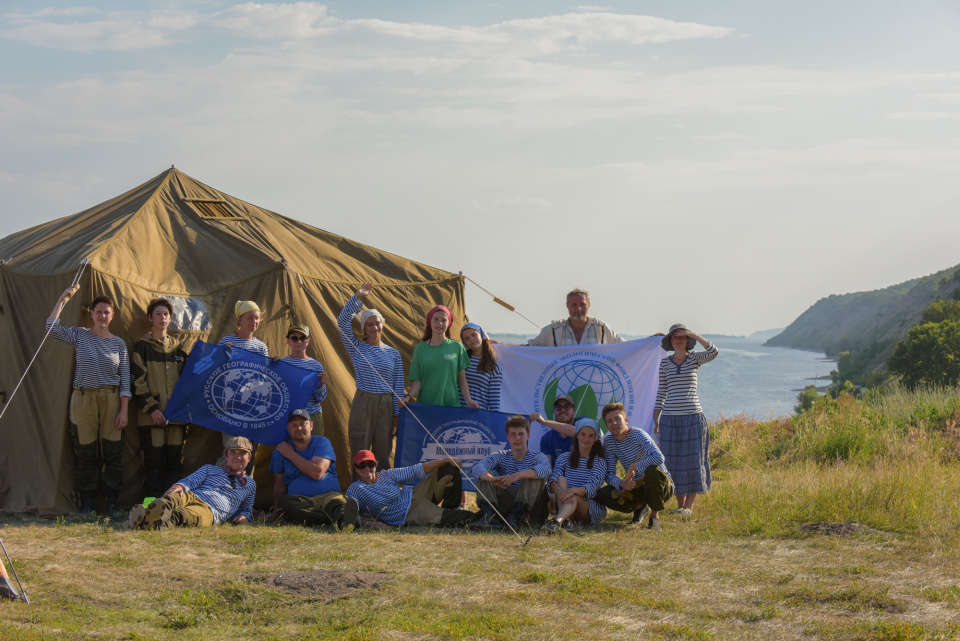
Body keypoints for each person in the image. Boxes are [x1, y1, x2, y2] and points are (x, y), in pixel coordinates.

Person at [47, 285, 131, 514]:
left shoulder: (119, 344)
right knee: (86, 452)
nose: (102, 316)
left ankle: (112, 502)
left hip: (111, 399)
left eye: (107, 312)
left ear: (112, 315)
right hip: (84, 397)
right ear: (91, 314)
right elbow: (51, 328)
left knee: (112, 452)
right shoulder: (80, 335)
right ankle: (88, 503)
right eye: (99, 312)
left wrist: (123, 410)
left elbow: (125, 381)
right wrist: (62, 299)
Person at [338, 283, 405, 471]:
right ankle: (359, 493)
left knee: (383, 451)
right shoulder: (357, 348)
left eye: (377, 323)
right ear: (364, 328)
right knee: (360, 448)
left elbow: (398, 386)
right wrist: (357, 297)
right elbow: (342, 322)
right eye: (370, 324)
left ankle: (383, 493)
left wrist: (397, 415)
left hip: (386, 404)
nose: (375, 327)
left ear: (382, 325)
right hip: (364, 400)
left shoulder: (393, 354)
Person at [654, 323, 719, 516]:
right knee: (671, 461)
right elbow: (661, 391)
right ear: (670, 341)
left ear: (688, 341)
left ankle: (688, 507)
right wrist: (656, 417)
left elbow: (714, 351)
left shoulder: (695, 359)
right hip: (669, 419)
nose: (679, 340)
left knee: (693, 460)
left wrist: (693, 333)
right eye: (675, 337)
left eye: (682, 337)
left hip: (693, 418)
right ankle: (679, 505)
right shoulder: (665, 363)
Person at [130, 298, 190, 500]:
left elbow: (190, 381)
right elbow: (137, 383)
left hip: (176, 419)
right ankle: (149, 507)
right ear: (150, 318)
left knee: (175, 463)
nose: (162, 317)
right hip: (151, 419)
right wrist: (153, 409)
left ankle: (170, 506)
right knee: (153, 465)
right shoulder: (142, 348)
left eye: (166, 314)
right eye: (158, 314)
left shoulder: (179, 349)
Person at [127, 436, 257, 529]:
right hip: (194, 495)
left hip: (211, 511)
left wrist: (244, 516)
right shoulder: (210, 469)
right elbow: (191, 481)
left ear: (249, 457)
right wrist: (180, 485)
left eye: (242, 453)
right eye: (233, 452)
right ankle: (147, 512)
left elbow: (246, 508)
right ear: (226, 456)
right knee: (172, 499)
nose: (237, 457)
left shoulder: (250, 484)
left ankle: (150, 523)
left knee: (185, 516)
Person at [269, 409, 360, 530]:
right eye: (294, 425)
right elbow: (279, 485)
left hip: (329, 496)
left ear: (311, 425)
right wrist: (276, 511)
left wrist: (290, 454)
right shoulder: (280, 452)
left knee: (339, 504)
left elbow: (317, 473)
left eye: (303, 424)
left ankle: (344, 518)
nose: (299, 428)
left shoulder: (322, 442)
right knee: (287, 504)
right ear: (288, 428)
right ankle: (339, 520)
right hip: (300, 500)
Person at [346, 450, 477, 528]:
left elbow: (417, 470)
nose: (367, 468)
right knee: (462, 517)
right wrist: (371, 524)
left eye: (370, 464)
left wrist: (447, 459)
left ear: (376, 465)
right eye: (361, 465)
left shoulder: (386, 475)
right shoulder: (356, 488)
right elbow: (347, 514)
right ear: (355, 469)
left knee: (450, 469)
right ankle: (486, 520)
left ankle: (450, 509)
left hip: (415, 494)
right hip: (407, 514)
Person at [596, 403, 673, 530]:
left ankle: (654, 515)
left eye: (617, 419)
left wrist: (634, 467)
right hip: (636, 486)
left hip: (661, 484)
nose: (614, 423)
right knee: (603, 494)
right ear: (606, 425)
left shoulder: (638, 434)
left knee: (652, 471)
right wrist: (622, 483)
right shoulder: (609, 442)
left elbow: (659, 457)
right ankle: (640, 507)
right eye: (609, 421)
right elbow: (609, 475)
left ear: (626, 420)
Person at [471, 415, 551, 530]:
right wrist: (491, 479)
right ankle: (489, 517)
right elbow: (476, 467)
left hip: (530, 506)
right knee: (484, 474)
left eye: (521, 434)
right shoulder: (501, 455)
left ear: (528, 436)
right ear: (508, 437)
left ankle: (517, 516)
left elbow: (546, 468)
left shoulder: (537, 456)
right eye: (513, 434)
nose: (517, 438)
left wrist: (518, 475)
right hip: (507, 498)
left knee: (534, 476)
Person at [217, 300, 267, 471]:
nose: (254, 321)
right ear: (239, 319)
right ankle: (223, 490)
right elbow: (215, 371)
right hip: (231, 408)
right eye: (250, 317)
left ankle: (246, 492)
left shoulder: (261, 347)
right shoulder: (226, 342)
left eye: (257, 318)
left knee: (248, 454)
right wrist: (221, 355)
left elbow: (264, 377)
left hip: (253, 409)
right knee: (232, 450)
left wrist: (273, 364)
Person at [404, 305, 479, 409]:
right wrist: (408, 397)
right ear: (430, 322)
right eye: (436, 319)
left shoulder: (457, 347)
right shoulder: (420, 349)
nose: (439, 323)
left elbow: (462, 380)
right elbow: (417, 382)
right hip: (426, 407)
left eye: (444, 320)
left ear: (449, 324)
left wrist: (468, 400)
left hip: (451, 407)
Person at [543, 419, 607, 533]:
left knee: (574, 496)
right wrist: (559, 492)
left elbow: (592, 488)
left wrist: (571, 491)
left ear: (596, 439)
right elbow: (552, 481)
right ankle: (566, 521)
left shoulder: (599, 461)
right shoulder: (564, 457)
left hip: (588, 509)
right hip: (564, 500)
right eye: (583, 434)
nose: (586, 439)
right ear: (577, 435)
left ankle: (557, 522)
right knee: (560, 479)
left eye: (591, 436)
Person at [527, 288, 626, 347]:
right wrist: (510, 348)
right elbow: (528, 349)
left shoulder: (603, 329)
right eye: (574, 305)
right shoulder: (552, 331)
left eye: (582, 305)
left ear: (589, 305)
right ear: (567, 306)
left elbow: (627, 347)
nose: (578, 309)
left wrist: (642, 346)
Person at [280, 323, 328, 436]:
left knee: (313, 452)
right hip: (289, 417)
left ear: (308, 341)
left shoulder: (316, 366)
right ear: (288, 340)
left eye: (303, 338)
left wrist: (321, 385)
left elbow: (320, 398)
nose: (299, 342)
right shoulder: (281, 364)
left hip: (311, 416)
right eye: (294, 338)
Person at [459, 322, 502, 411]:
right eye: (467, 338)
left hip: (478, 415)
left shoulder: (494, 366)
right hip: (456, 412)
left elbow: (494, 400)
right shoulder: (461, 361)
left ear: (481, 335)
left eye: (474, 335)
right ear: (465, 343)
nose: (471, 339)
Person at [530, 393, 577, 466]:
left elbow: (580, 432)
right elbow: (547, 468)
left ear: (573, 410)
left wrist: (544, 421)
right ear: (554, 411)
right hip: (556, 476)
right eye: (558, 407)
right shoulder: (546, 438)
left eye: (567, 407)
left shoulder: (582, 422)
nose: (562, 410)